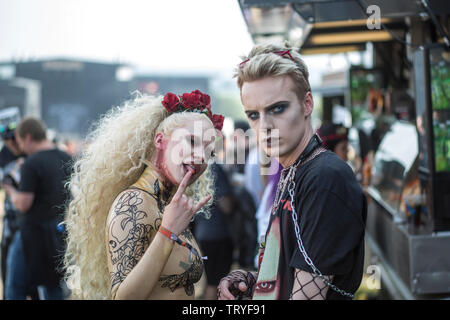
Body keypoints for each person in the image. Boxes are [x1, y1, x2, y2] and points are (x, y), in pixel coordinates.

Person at [217, 42, 367, 300]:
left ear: (307, 104)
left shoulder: (324, 177)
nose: (264, 126)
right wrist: (251, 281)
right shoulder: (294, 169)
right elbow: (289, 274)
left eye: (277, 108)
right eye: (254, 115)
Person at [63, 90, 224, 300]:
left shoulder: (166, 205)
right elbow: (123, 297)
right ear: (159, 140)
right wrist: (167, 232)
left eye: (209, 152)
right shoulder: (134, 202)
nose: (201, 157)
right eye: (192, 141)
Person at [3, 117, 72, 300]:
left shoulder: (31, 164)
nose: (20, 147)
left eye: (19, 141)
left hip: (32, 234)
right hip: (58, 230)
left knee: (15, 286)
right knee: (53, 286)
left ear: (27, 137)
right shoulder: (65, 157)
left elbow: (24, 203)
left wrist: (10, 190)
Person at [193, 161, 234, 300]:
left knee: (210, 281)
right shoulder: (214, 168)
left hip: (201, 234)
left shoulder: (192, 167)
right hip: (217, 235)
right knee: (215, 283)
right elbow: (227, 206)